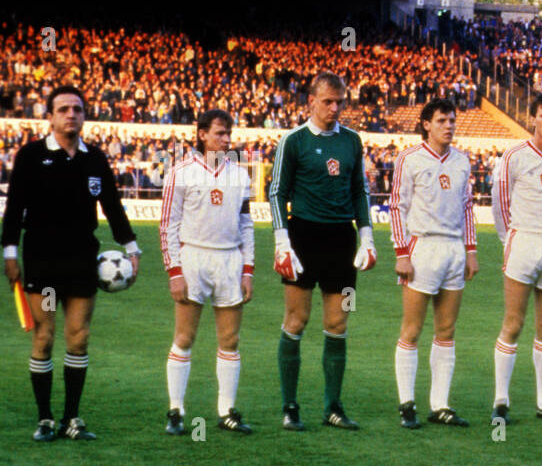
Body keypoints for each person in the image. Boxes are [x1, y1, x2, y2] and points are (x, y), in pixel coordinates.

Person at [2, 85, 141, 441]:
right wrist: (10, 252)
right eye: (63, 109)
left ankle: (72, 418)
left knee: (79, 338)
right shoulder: (31, 156)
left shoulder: (94, 159)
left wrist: (132, 247)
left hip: (81, 262)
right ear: (49, 116)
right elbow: (15, 207)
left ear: (84, 115)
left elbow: (112, 205)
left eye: (77, 109)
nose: (71, 115)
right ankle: (45, 419)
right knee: (44, 338)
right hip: (44, 265)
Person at [269, 71, 376, 431]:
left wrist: (367, 237)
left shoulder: (352, 141)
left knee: (338, 322)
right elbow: (276, 193)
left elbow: (360, 190)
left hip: (341, 241)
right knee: (297, 320)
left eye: (339, 102)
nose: (334, 108)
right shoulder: (293, 141)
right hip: (303, 238)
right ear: (311, 101)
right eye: (327, 101)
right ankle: (289, 406)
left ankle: (333, 406)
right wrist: (282, 241)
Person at [159, 109, 254, 435]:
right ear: (201, 134)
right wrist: (175, 271)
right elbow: (168, 225)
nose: (226, 139)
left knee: (230, 339)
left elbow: (246, 224)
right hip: (193, 258)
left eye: (229, 134)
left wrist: (248, 270)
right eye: (219, 133)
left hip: (229, 260)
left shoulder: (241, 175)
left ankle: (226, 410)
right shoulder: (179, 172)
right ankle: (176, 408)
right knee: (185, 337)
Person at [389, 98, 478, 430]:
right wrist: (401, 251)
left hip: (453, 248)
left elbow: (468, 207)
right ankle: (406, 403)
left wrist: (471, 250)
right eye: (442, 120)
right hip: (422, 247)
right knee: (411, 330)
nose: (449, 125)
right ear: (426, 124)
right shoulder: (409, 158)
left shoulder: (461, 161)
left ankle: (440, 404)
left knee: (447, 330)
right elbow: (397, 206)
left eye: (452, 120)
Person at [490, 91, 542, 424]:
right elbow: (500, 204)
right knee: (513, 323)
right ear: (532, 118)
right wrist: (508, 238)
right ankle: (501, 400)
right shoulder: (513, 157)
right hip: (522, 241)